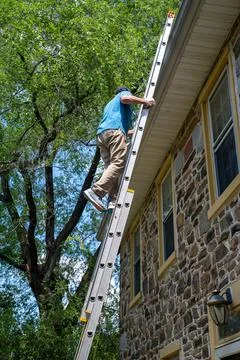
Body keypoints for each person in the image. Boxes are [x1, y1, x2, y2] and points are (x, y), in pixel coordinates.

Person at [84, 86, 155, 212]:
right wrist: (145, 101)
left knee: (111, 168)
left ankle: (113, 200)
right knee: (118, 163)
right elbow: (126, 98)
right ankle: (96, 191)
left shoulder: (110, 106)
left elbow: (126, 131)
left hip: (102, 136)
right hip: (114, 132)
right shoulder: (122, 94)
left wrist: (139, 130)